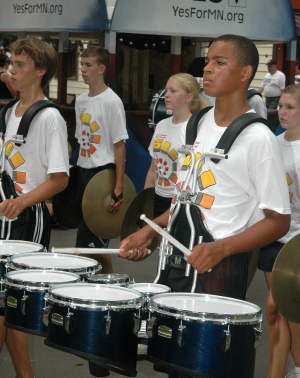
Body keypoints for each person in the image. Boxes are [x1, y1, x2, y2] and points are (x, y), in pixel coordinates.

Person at [119, 33, 290, 308]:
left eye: (219, 62)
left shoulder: (258, 138)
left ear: (245, 72)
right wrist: (152, 230)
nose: (207, 68)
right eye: (208, 60)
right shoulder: (196, 123)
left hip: (218, 268)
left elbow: (278, 220)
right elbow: (188, 196)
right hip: (174, 258)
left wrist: (221, 248)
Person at [0, 38, 69, 378]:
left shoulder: (50, 118)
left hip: (27, 220)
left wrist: (21, 202)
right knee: (8, 310)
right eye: (11, 62)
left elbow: (59, 179)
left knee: (4, 307)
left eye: (21, 65)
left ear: (41, 71)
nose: (12, 68)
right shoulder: (7, 112)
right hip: (4, 217)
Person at [258, 84, 300, 378]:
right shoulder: (274, 142)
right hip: (274, 237)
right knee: (276, 312)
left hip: (297, 243)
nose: (281, 112)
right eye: (280, 106)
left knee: (285, 307)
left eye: (290, 107)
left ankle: (298, 368)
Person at [75, 45, 128, 274]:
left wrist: (118, 187)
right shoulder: (80, 101)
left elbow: (119, 145)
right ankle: (105, 283)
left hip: (103, 172)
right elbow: (81, 141)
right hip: (83, 171)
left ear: (102, 68)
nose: (83, 70)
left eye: (89, 65)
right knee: (91, 245)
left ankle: (108, 288)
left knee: (89, 243)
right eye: (82, 65)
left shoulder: (112, 101)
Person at [144, 73, 207, 218]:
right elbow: (153, 170)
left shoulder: (195, 129)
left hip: (181, 202)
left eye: (173, 91)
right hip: (157, 198)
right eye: (166, 90)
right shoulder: (161, 125)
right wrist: (146, 201)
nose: (166, 95)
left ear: (188, 97)